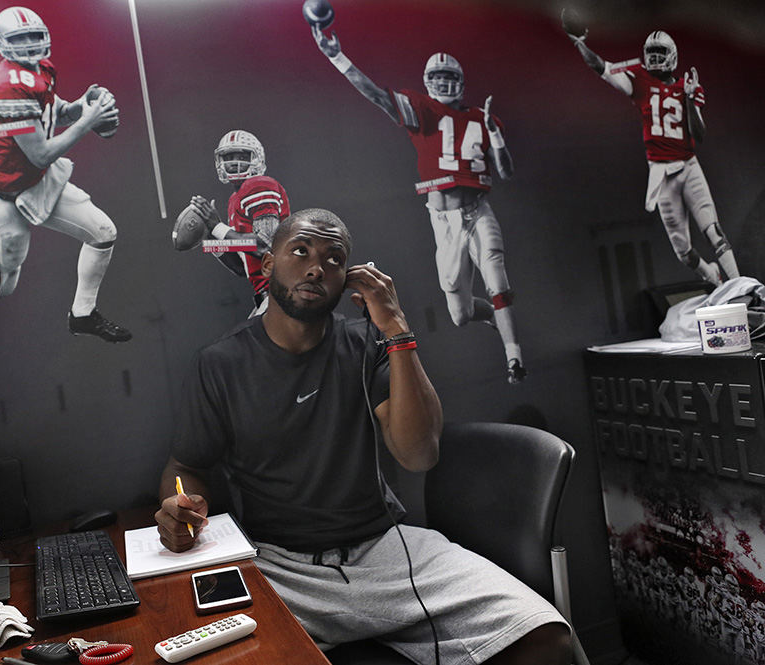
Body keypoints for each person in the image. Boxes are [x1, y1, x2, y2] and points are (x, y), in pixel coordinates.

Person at [155, 209, 571, 664]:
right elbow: (187, 467)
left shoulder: (366, 343)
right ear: (269, 264)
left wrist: (396, 329)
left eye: (335, 260)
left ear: (348, 279)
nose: (317, 267)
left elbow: (419, 454)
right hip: (279, 566)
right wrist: (181, 510)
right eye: (300, 251)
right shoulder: (220, 362)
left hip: (385, 553)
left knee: (546, 637)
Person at [312, 26, 526, 385]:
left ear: (460, 81)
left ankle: (514, 356)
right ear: (428, 81)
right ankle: (491, 315)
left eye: (449, 77)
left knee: (497, 280)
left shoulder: (480, 118)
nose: (443, 83)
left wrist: (497, 134)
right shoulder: (422, 110)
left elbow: (506, 171)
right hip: (443, 219)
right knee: (460, 313)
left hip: (478, 211)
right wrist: (338, 56)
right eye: (437, 77)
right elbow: (377, 96)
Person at [0, 6, 131, 394]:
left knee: (103, 232)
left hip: (38, 181)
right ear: (1, 45)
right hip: (3, 196)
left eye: (32, 36)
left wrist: (80, 106)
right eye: (19, 39)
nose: (29, 45)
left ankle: (83, 314)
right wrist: (88, 122)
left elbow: (51, 110)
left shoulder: (42, 68)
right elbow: (40, 152)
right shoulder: (6, 83)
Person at [561, 11, 739, 285]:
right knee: (683, 253)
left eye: (660, 53)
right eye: (651, 53)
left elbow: (699, 134)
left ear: (673, 56)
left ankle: (742, 286)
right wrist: (579, 43)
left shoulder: (686, 87)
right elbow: (600, 67)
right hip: (661, 175)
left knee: (713, 231)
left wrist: (689, 98)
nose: (655, 58)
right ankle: (714, 277)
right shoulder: (639, 80)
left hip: (689, 167)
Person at [181, 130, 290, 317]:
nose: (234, 162)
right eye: (228, 157)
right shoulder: (235, 199)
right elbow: (242, 268)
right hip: (267, 297)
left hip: (283, 293)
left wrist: (217, 227)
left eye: (241, 155)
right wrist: (211, 238)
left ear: (257, 158)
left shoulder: (260, 184)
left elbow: (266, 247)